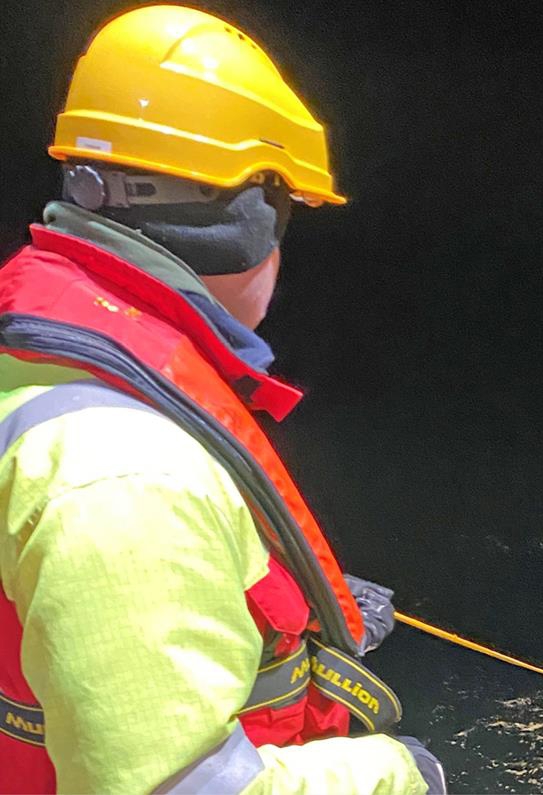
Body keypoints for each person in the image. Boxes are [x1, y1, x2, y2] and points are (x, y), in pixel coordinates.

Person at [0, 6, 446, 794]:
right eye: (283, 212)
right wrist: (400, 772)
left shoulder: (33, 351)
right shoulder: (128, 476)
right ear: (243, 223)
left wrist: (292, 625)